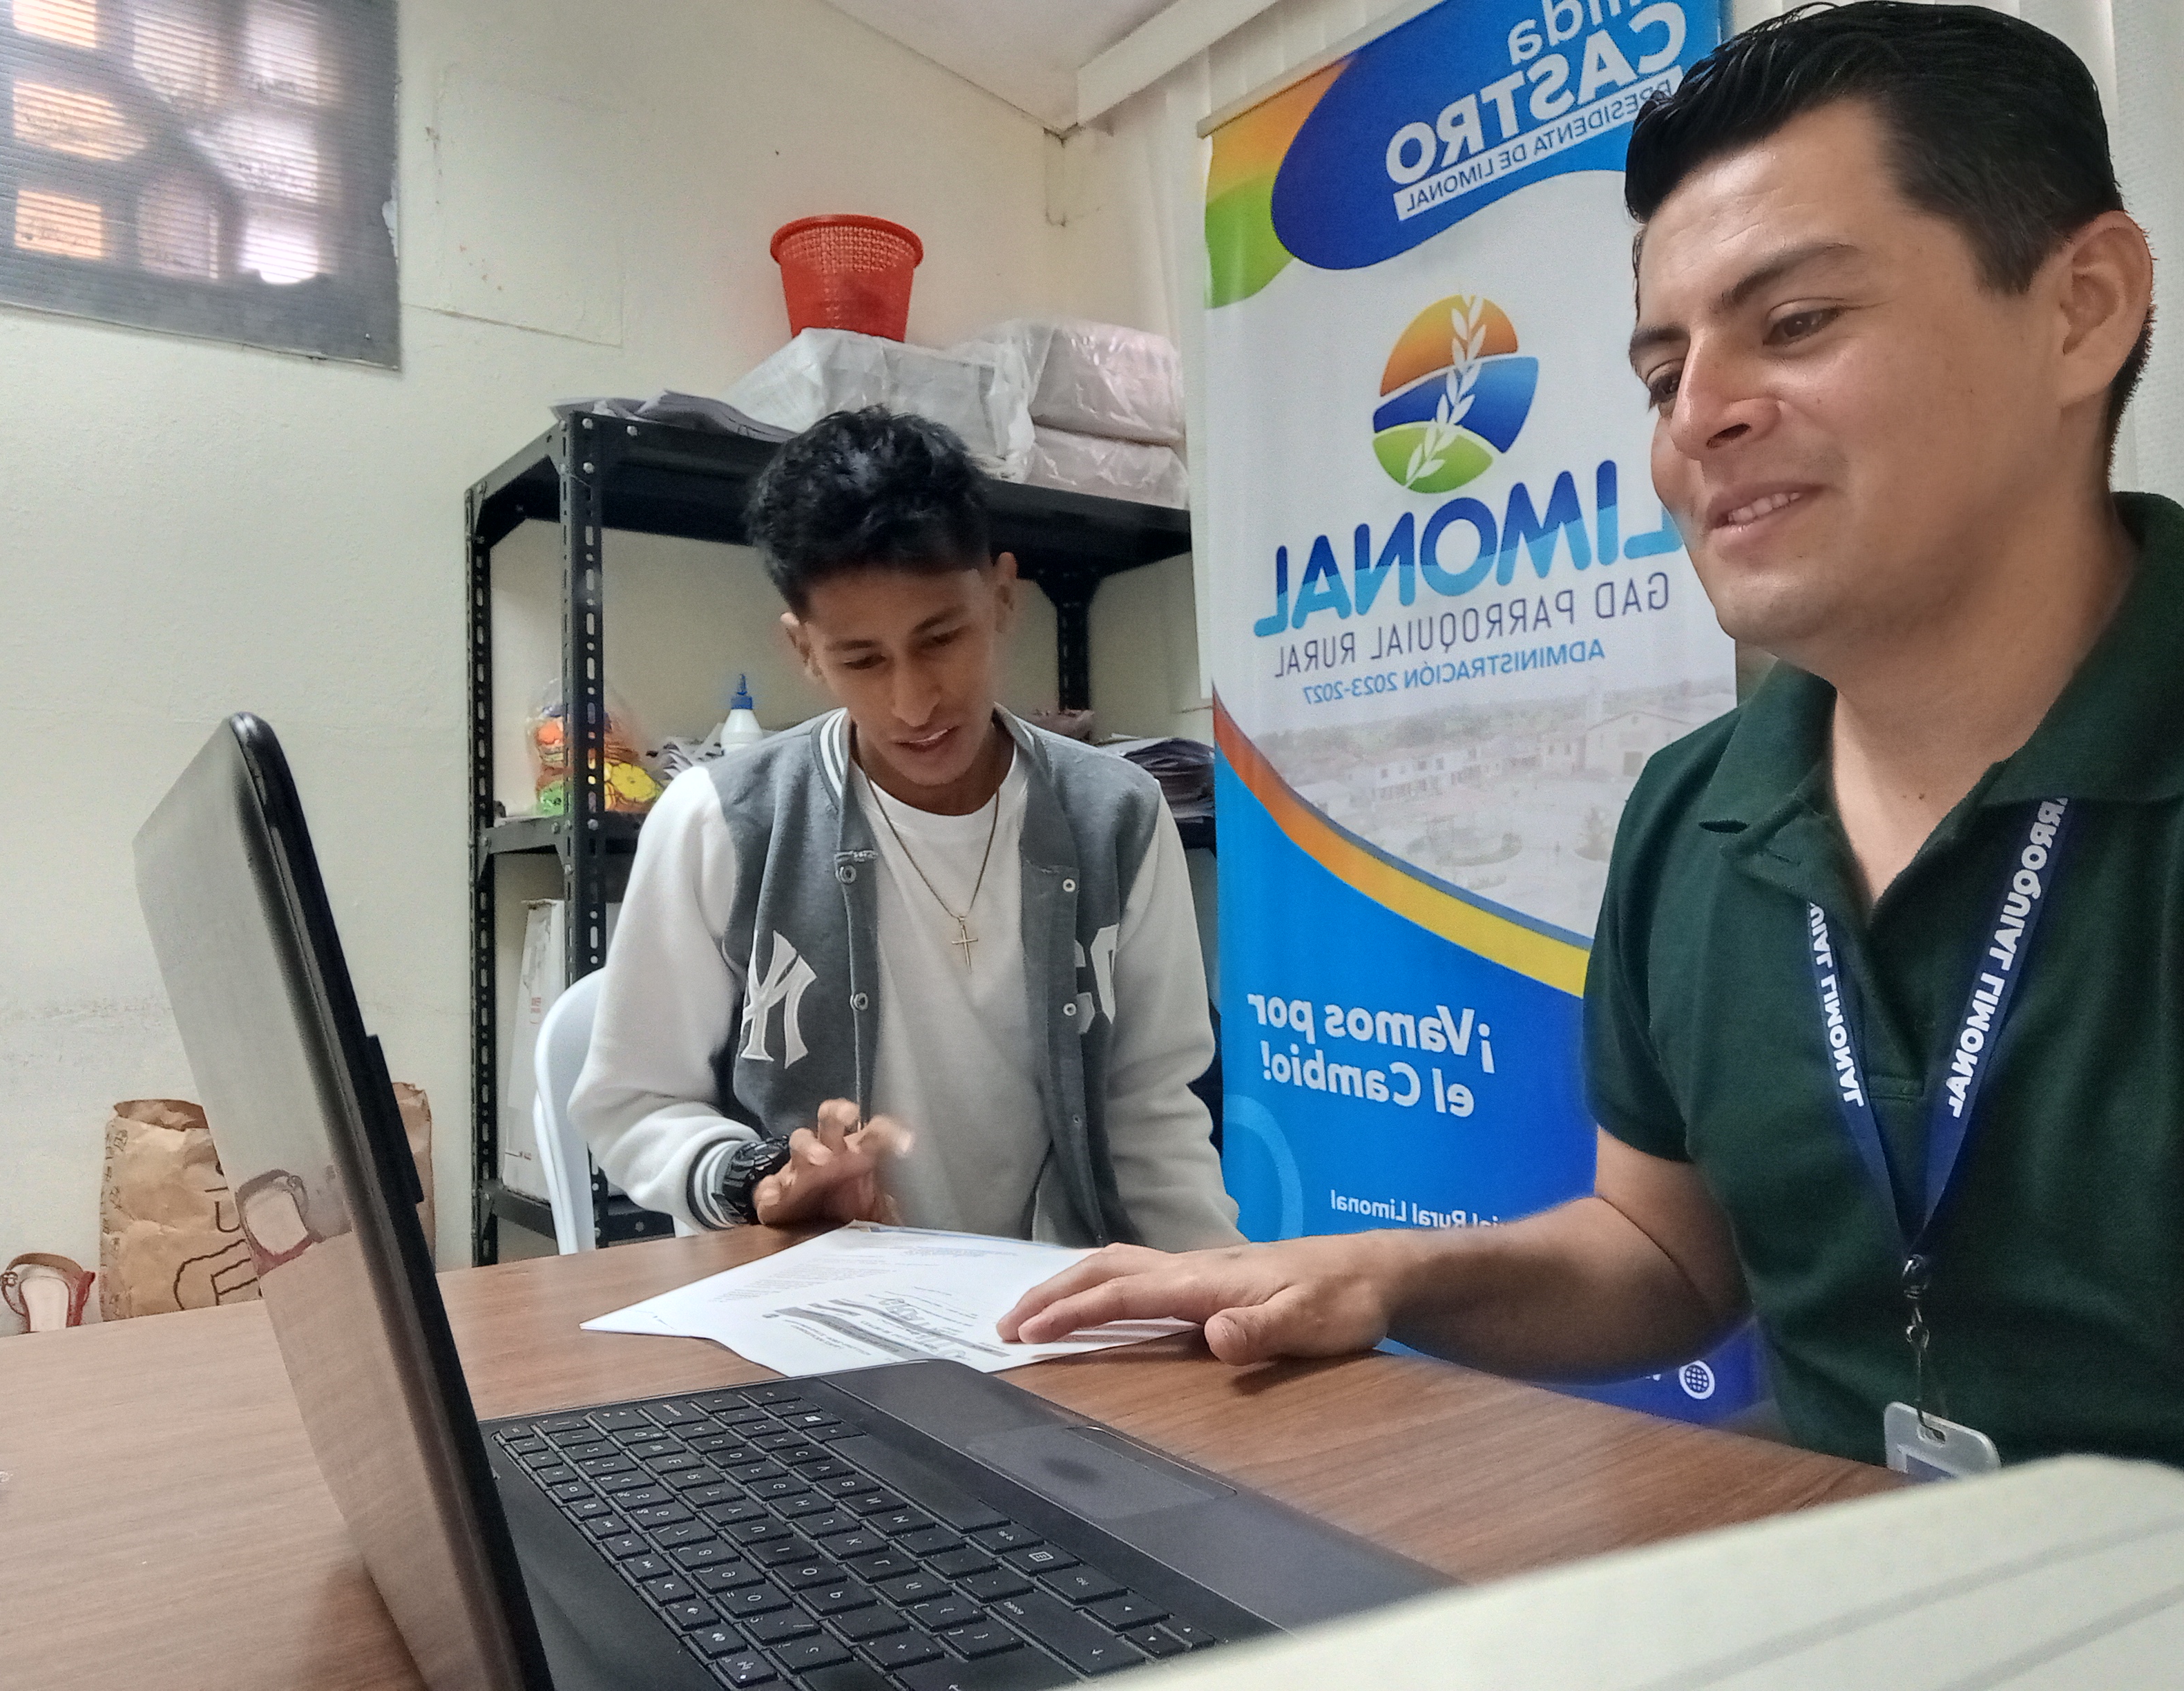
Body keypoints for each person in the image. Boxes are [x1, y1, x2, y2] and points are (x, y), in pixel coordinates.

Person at [1002, 3, 2183, 1471]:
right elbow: (1666, 1254)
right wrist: (1379, 1274)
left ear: (2081, 308)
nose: (1698, 421)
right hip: (1839, 1567)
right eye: (1662, 375)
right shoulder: (1692, 811)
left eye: (1795, 323)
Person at [571, 407, 1241, 1252]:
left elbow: (1151, 1112)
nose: (914, 702)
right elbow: (634, 1102)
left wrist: (1219, 1286)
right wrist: (757, 1177)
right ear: (804, 650)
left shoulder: (1118, 816)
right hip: (812, 1297)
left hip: (1052, 1294)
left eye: (941, 638)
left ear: (1002, 596)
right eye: (862, 660)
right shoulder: (719, 823)